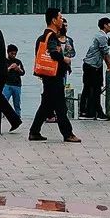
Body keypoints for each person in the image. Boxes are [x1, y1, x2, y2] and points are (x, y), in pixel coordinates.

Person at [29, 9, 80, 143]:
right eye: (60, 17)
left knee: (46, 105)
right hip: (54, 76)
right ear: (53, 20)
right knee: (61, 106)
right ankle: (68, 134)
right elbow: (53, 53)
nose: (62, 20)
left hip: (48, 76)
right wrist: (65, 59)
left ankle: (34, 132)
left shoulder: (43, 36)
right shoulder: (52, 36)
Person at [80, 17, 110, 119]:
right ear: (105, 25)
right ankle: (97, 113)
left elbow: (103, 54)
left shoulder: (101, 36)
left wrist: (109, 66)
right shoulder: (101, 36)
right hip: (92, 66)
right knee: (94, 89)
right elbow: (106, 53)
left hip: (94, 65)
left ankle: (89, 112)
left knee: (89, 88)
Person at [2, 45, 25, 124]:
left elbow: (23, 73)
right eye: (12, 53)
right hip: (7, 84)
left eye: (15, 54)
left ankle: (18, 115)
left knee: (17, 102)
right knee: (4, 100)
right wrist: (10, 68)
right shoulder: (4, 61)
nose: (14, 55)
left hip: (17, 85)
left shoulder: (18, 61)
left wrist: (18, 69)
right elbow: (2, 73)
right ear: (8, 53)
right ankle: (2, 114)